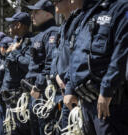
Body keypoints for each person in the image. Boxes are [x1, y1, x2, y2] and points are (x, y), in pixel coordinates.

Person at [63, 0, 128, 135]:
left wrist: (106, 90)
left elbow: (121, 52)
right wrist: (69, 88)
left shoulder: (121, 8)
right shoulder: (86, 14)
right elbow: (76, 55)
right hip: (86, 104)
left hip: (108, 104)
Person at [25, 0, 60, 134]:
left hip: (44, 93)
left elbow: (51, 62)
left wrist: (39, 86)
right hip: (35, 93)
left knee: (46, 129)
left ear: (47, 14)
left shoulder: (53, 33)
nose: (32, 16)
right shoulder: (39, 35)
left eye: (36, 12)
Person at [51, 0, 83, 129]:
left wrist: (69, 85)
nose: (54, 3)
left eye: (58, 0)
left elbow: (77, 56)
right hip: (63, 89)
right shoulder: (63, 26)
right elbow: (56, 54)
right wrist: (56, 75)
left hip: (76, 91)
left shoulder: (80, 21)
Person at [0, 12, 32, 135]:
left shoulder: (29, 41)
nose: (9, 28)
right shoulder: (16, 42)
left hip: (20, 97)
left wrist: (15, 52)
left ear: (18, 25)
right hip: (10, 96)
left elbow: (28, 64)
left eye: (11, 24)